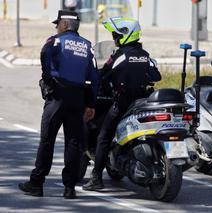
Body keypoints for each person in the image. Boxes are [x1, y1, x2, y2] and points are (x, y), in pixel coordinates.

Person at [18, 10, 98, 199]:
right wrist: (90, 104)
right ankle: (69, 188)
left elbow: (44, 53)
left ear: (64, 25)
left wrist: (48, 78)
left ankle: (37, 183)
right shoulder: (88, 46)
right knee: (73, 143)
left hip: (58, 97)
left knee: (47, 140)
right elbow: (94, 77)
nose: (56, 27)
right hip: (78, 98)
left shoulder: (55, 41)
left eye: (57, 24)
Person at [83, 17, 161, 191]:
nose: (114, 38)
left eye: (116, 34)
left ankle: (96, 178)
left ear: (125, 35)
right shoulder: (145, 56)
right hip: (142, 103)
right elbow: (156, 76)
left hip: (123, 103)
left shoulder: (120, 56)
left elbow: (103, 75)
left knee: (103, 137)